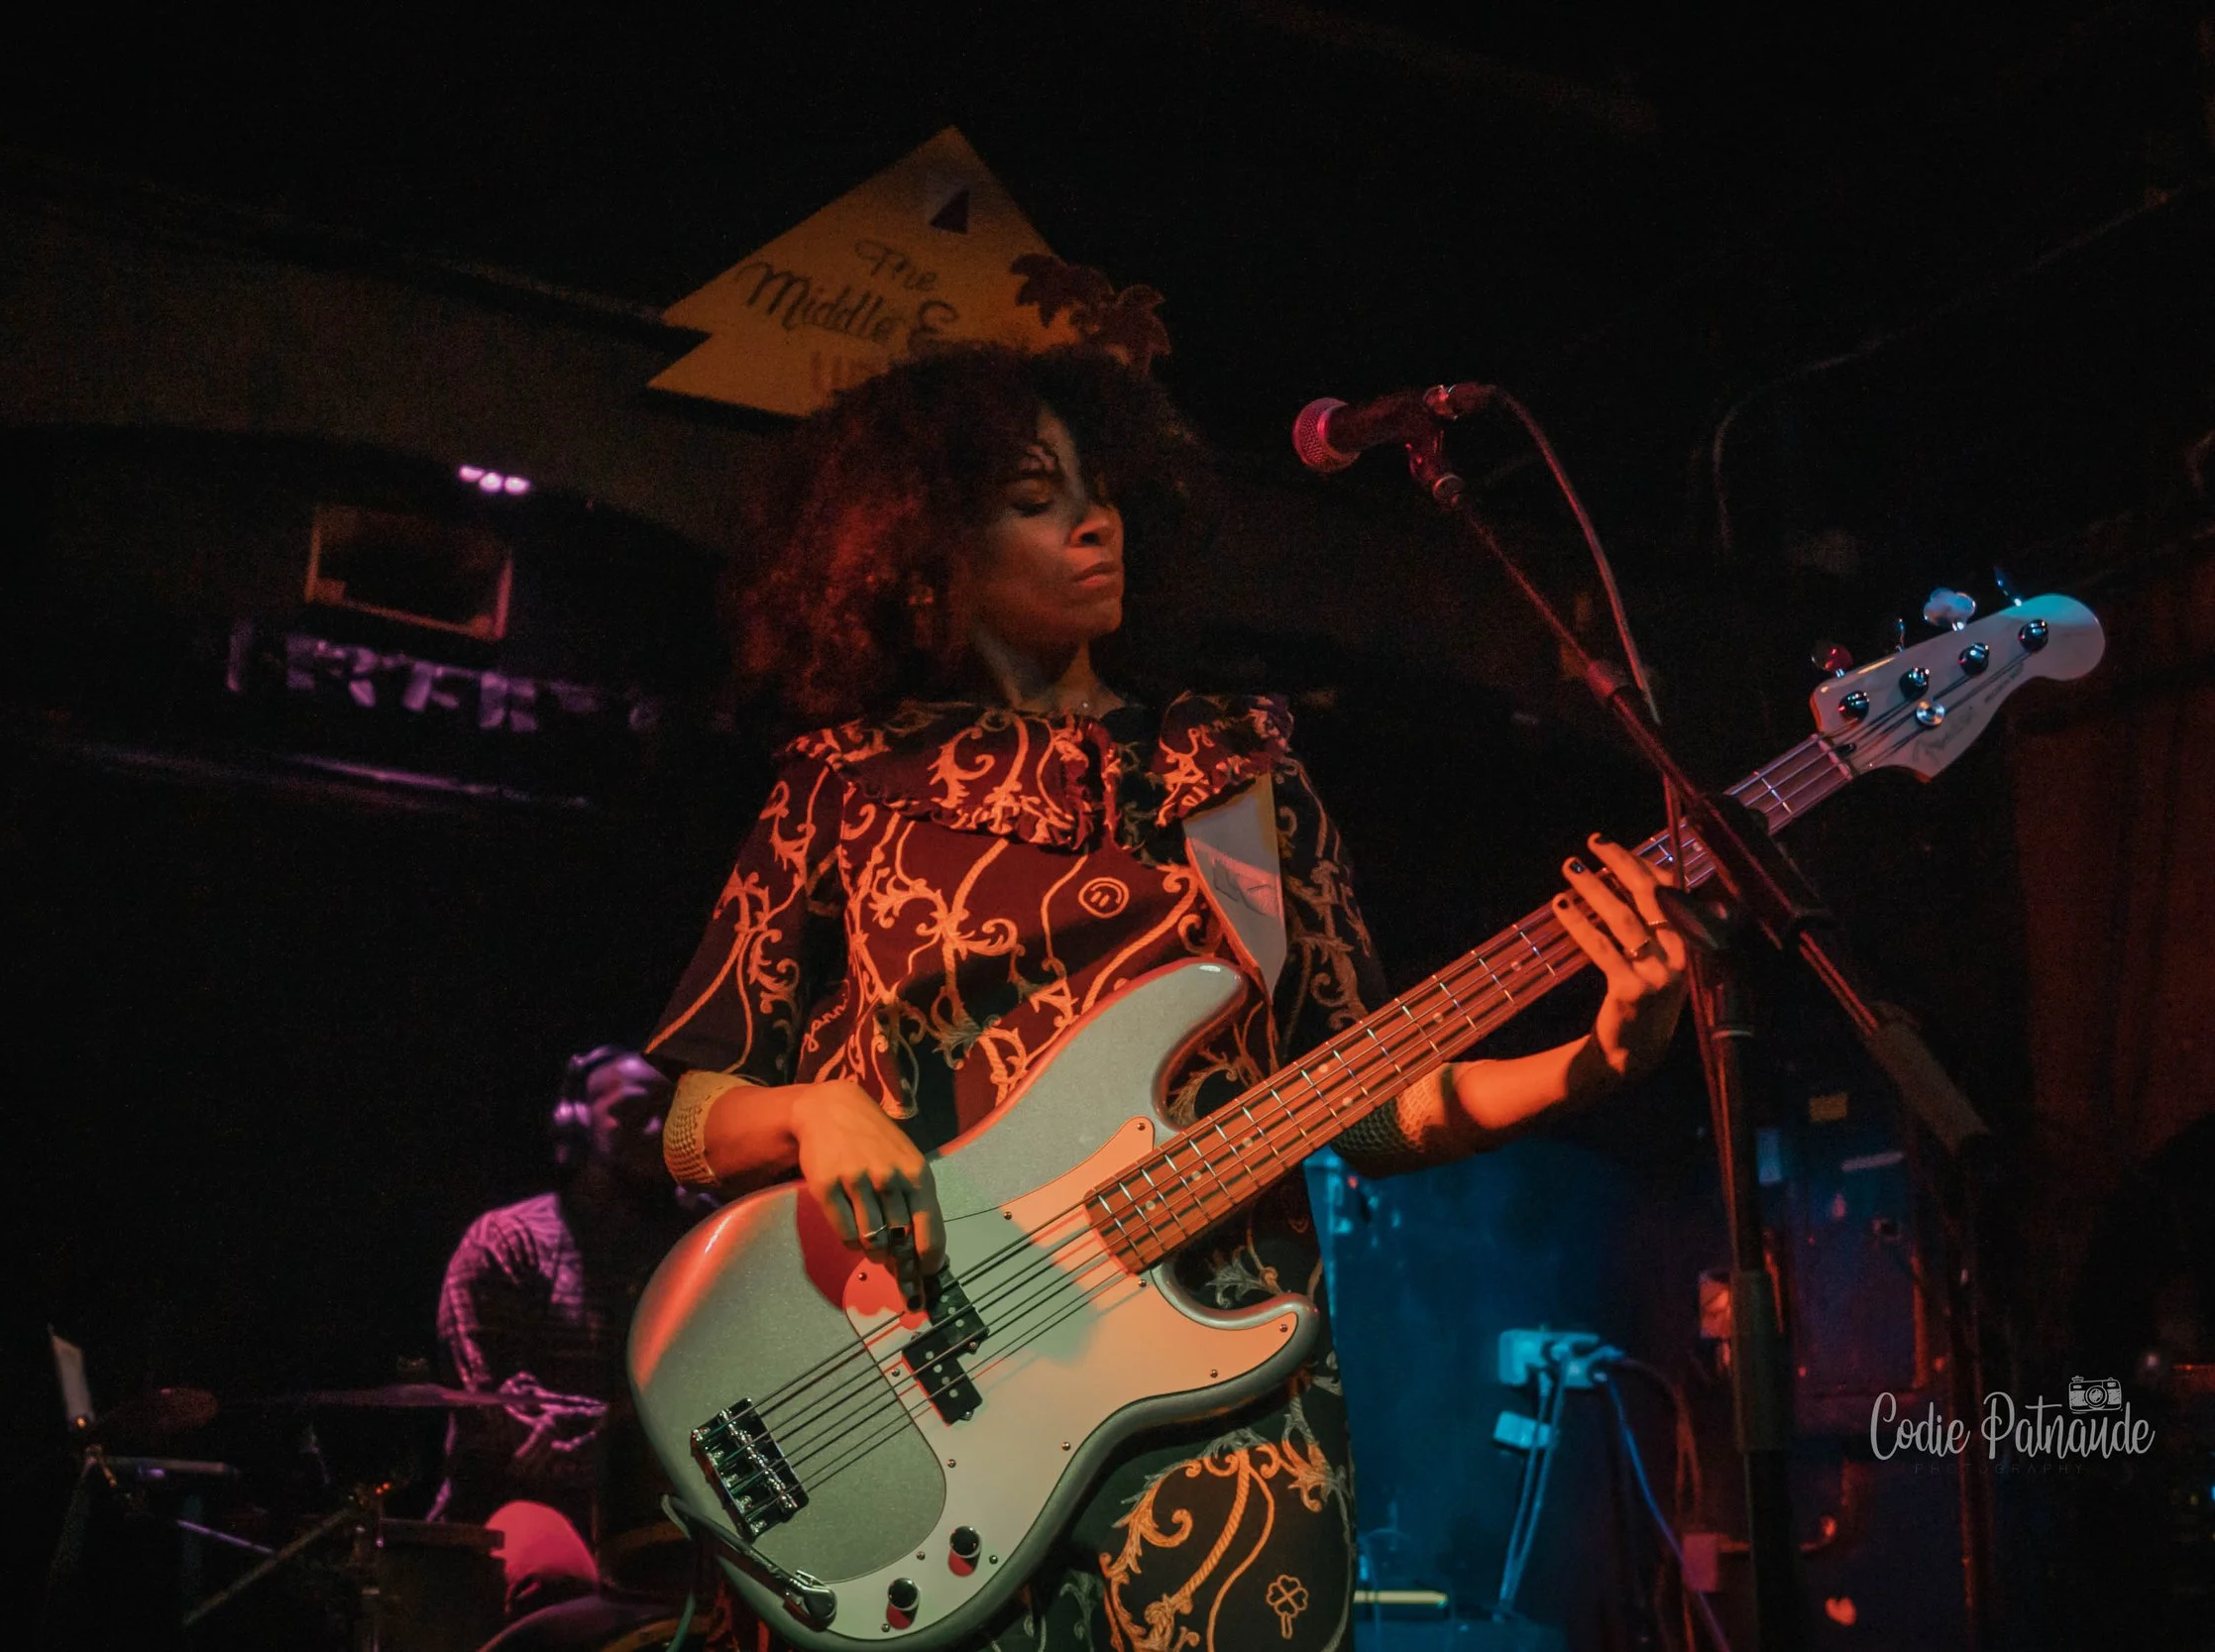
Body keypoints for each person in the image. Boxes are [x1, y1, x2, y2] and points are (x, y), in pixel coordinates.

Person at [643, 344, 1689, 1652]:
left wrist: (1594, 1059)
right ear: (924, 554)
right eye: (1037, 498)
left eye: (1101, 489)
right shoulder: (843, 788)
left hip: (1226, 1414)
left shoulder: (1231, 775)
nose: (1098, 521)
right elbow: (689, 1115)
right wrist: (809, 1112)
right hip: (913, 1387)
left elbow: (1364, 1097)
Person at [433, 1045, 702, 1618]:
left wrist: (585, 1429)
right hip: (521, 1503)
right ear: (575, 1122)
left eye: (671, 1112)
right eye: (633, 1111)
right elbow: (496, 1421)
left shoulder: (700, 1240)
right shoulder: (508, 1242)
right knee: (554, 1580)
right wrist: (618, 1437)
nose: (658, 1128)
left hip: (659, 1509)